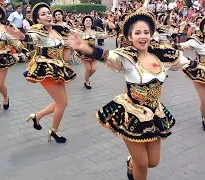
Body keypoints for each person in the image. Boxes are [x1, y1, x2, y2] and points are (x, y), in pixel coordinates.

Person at [68, 11, 198, 180]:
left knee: (153, 162)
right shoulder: (126, 57)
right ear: (130, 37)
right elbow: (107, 55)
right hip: (131, 113)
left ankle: (131, 162)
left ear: (151, 34)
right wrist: (83, 47)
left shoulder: (162, 56)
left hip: (154, 113)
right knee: (143, 163)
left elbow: (185, 62)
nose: (142, 36)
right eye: (137, 33)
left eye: (146, 32)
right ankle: (136, 165)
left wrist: (203, 68)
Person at [5, 2, 77, 143]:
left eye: (48, 13)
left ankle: (37, 116)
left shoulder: (57, 31)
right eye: (43, 14)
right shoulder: (39, 32)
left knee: (62, 102)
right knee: (61, 104)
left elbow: (67, 47)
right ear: (38, 20)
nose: (48, 16)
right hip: (46, 71)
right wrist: (18, 35)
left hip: (58, 69)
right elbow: (30, 38)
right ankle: (54, 131)